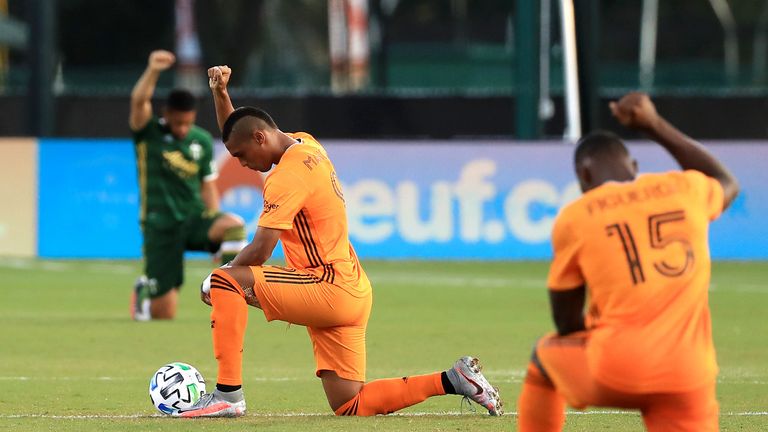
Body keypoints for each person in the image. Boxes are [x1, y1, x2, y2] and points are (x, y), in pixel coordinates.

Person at [171, 65, 504, 418]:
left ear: (260, 140)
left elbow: (262, 250)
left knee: (226, 280)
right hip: (351, 289)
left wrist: (220, 275)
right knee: (350, 402)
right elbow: (244, 130)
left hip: (325, 286)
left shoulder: (287, 176)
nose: (241, 164)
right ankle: (455, 379)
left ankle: (228, 395)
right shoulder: (305, 143)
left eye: (240, 157)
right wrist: (222, 95)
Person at [516, 92, 739, 432]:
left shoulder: (576, 216)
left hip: (617, 367)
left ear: (584, 177)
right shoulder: (684, 189)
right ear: (634, 167)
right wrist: (654, 125)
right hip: (688, 376)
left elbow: (565, 319)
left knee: (543, 357)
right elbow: (727, 183)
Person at [129, 50, 247, 321]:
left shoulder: (201, 141)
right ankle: (144, 290)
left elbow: (208, 186)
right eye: (178, 122)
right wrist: (153, 69)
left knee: (232, 226)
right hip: (160, 224)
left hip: (193, 218)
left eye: (188, 122)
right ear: (166, 114)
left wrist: (214, 227)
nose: (183, 128)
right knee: (163, 314)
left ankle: (224, 291)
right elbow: (139, 101)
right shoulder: (148, 134)